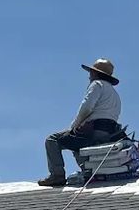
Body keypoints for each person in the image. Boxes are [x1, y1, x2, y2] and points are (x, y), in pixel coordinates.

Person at [38, 57, 123, 187]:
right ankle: (87, 171)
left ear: (95, 73)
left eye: (91, 73)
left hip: (94, 130)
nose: (89, 76)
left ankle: (57, 175)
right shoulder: (114, 94)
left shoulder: (97, 85)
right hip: (109, 133)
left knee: (53, 140)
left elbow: (87, 107)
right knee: (75, 142)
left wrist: (74, 126)